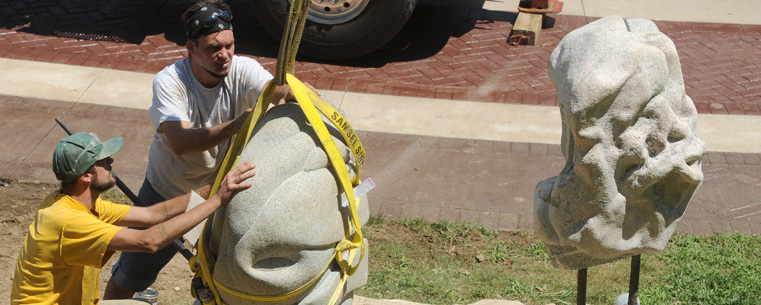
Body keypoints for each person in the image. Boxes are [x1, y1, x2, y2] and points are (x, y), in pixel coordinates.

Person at [105, 0, 304, 298]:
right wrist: (238, 124)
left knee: (224, 280)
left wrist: (304, 96)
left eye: (229, 45)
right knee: (131, 277)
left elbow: (284, 90)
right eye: (213, 48)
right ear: (191, 47)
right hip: (167, 192)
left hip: (218, 192)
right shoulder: (171, 81)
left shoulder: (243, 69)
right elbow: (181, 141)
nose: (224, 55)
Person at [10, 132, 256, 305]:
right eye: (103, 161)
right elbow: (149, 241)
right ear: (86, 176)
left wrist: (213, 187)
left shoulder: (79, 204)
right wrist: (217, 201)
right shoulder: (67, 220)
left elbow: (152, 214)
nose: (111, 162)